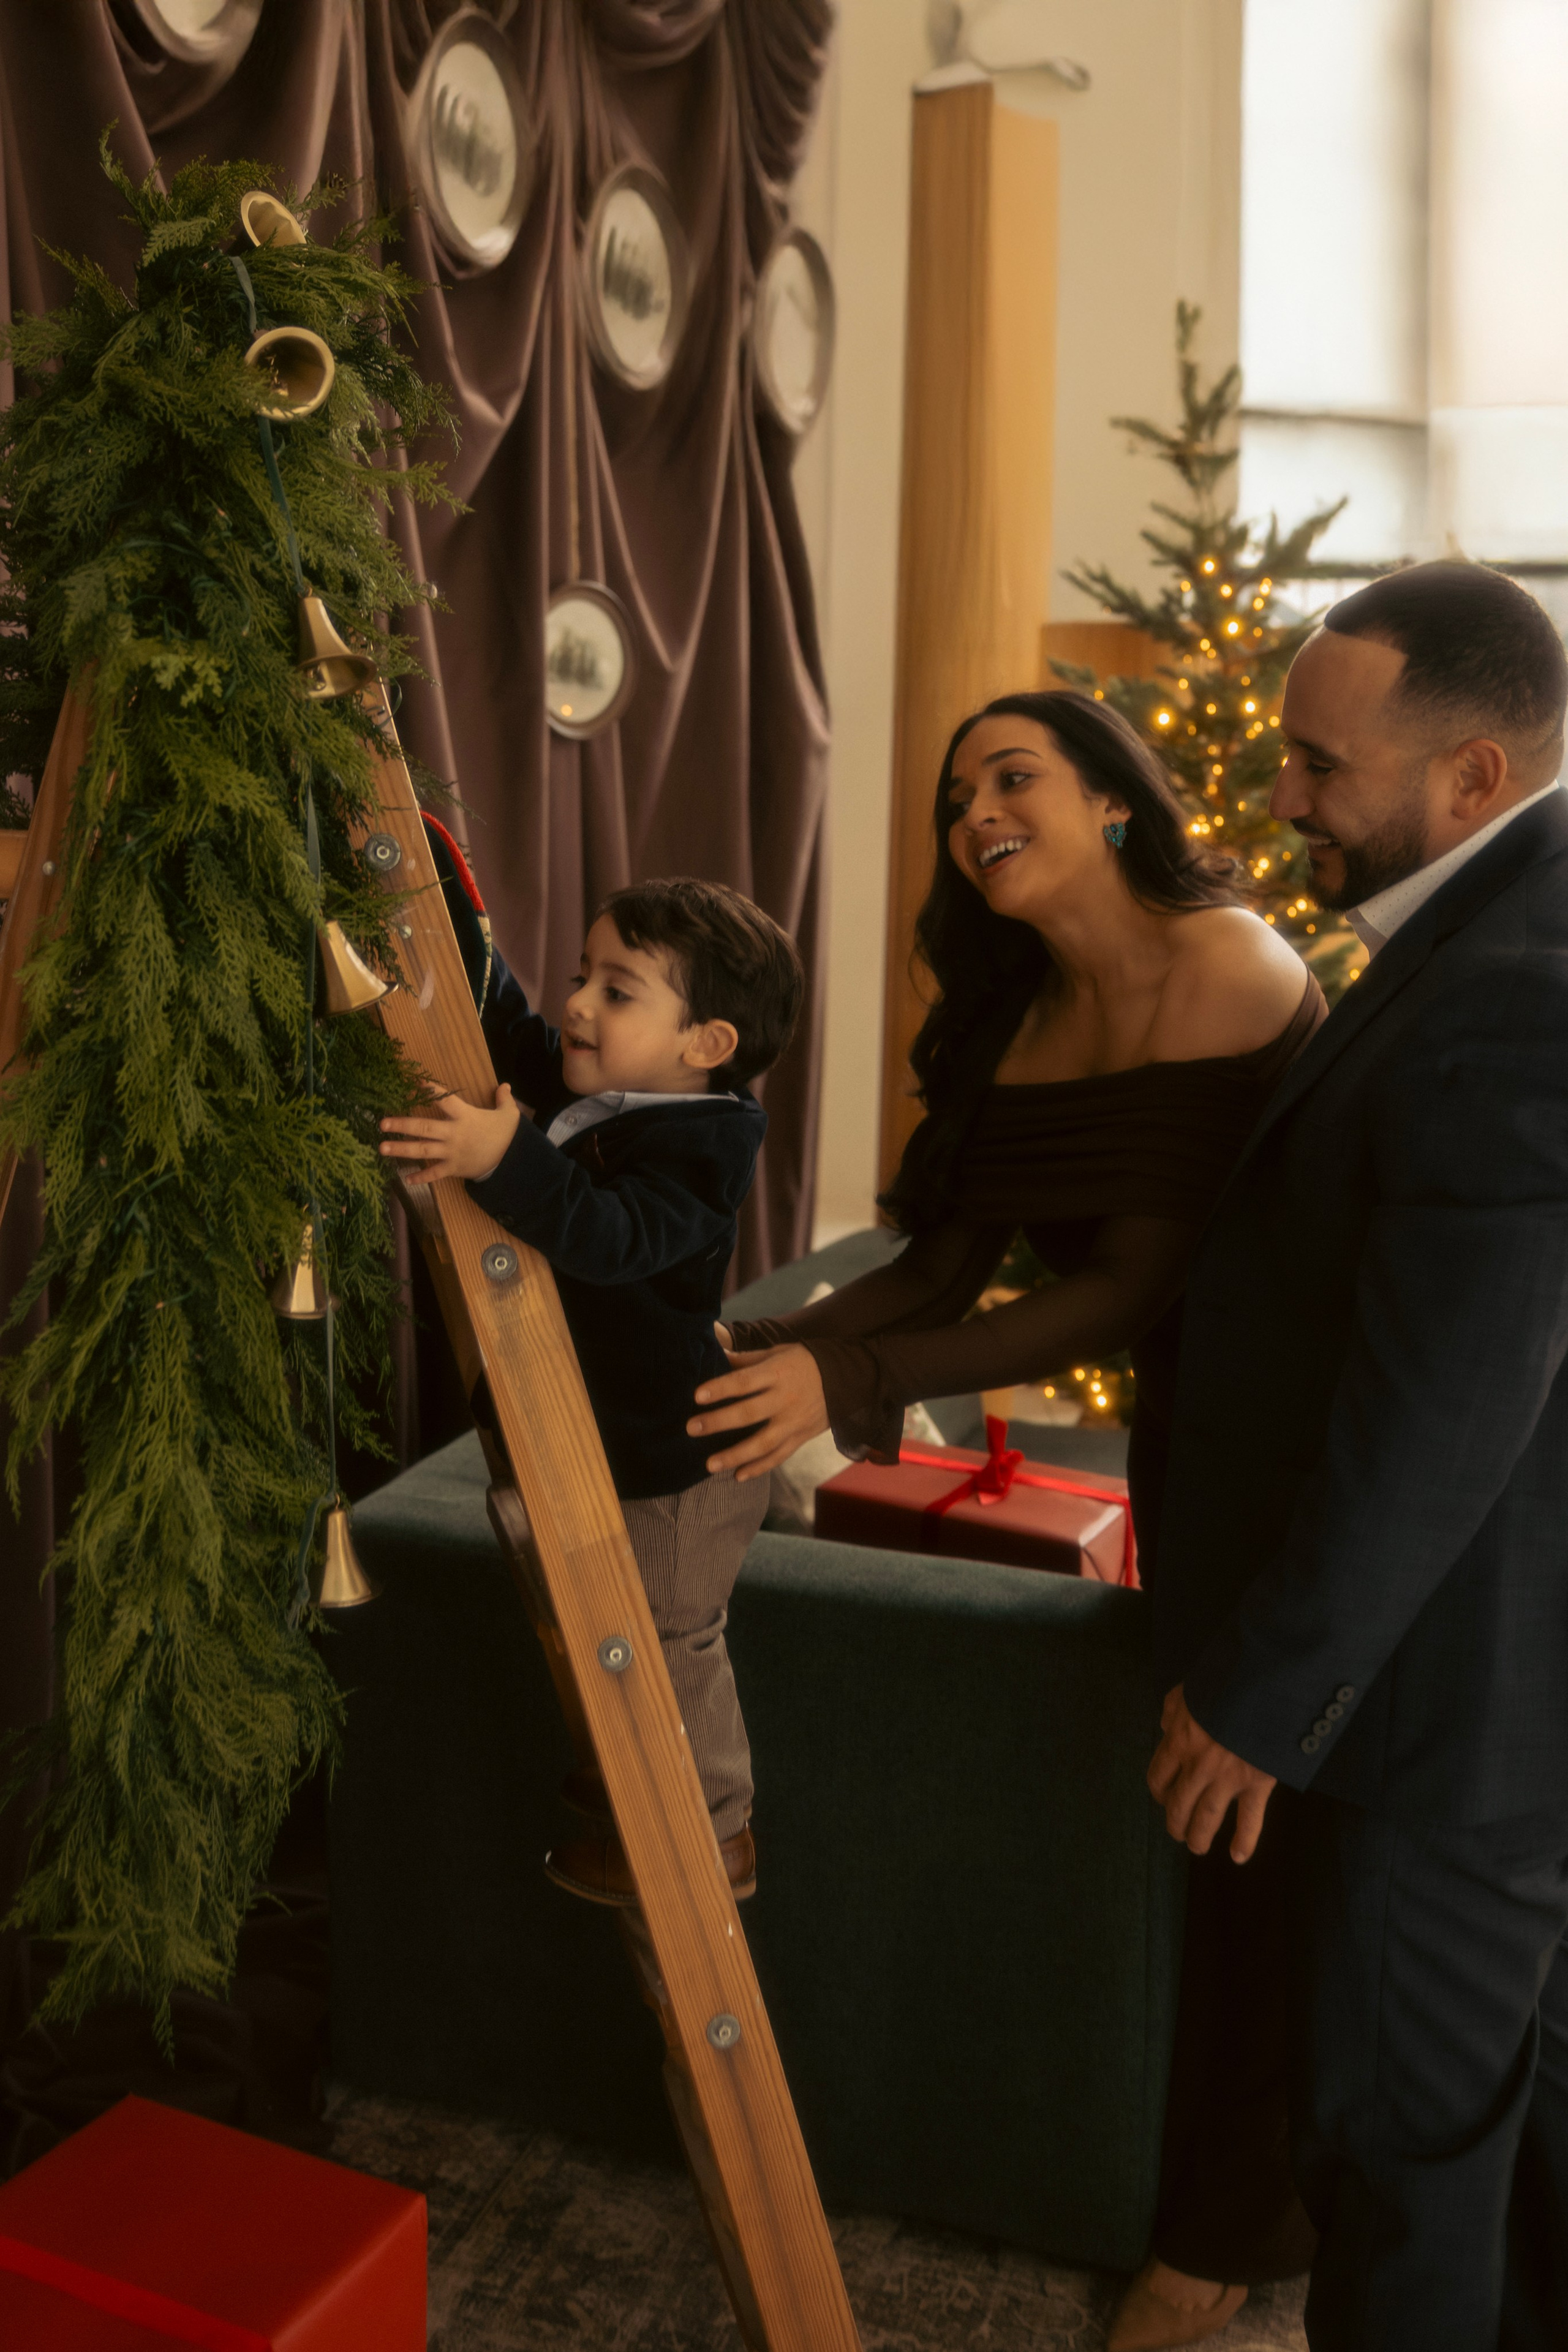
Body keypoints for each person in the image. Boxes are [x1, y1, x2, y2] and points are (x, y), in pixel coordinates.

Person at [688, 688, 1324, 2344]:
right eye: (959, 791)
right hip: (1199, 1447)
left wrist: (848, 1381)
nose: (974, 808)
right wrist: (772, 1348)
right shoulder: (1006, 1024)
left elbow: (1128, 1282)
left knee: (1284, 1833)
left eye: (1015, 775)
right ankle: (1233, 2180)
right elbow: (938, 1270)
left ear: (1118, 801)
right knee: (1224, 1831)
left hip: (1323, 1438)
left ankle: (1229, 2234)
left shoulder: (1234, 963)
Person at [1145, 560, 1568, 2350]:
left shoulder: (1518, 980)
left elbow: (1452, 1398)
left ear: (1473, 778)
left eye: (1321, 766)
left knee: (1397, 2158)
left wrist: (1267, 1694)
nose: (1285, 794)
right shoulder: (1500, 928)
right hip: (1481, 1684)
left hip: (1434, 1714)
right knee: (1506, 2143)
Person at [379, 876, 804, 1906]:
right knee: (580, 1602)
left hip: (677, 1462)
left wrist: (504, 1156)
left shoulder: (705, 1149)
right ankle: (632, 1781)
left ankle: (716, 1835)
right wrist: (443, 891)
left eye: (617, 992)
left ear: (704, 1044)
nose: (578, 1006)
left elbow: (610, 1238)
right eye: (584, 976)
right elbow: (507, 1018)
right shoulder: (585, 1081)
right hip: (598, 1442)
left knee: (671, 1636)